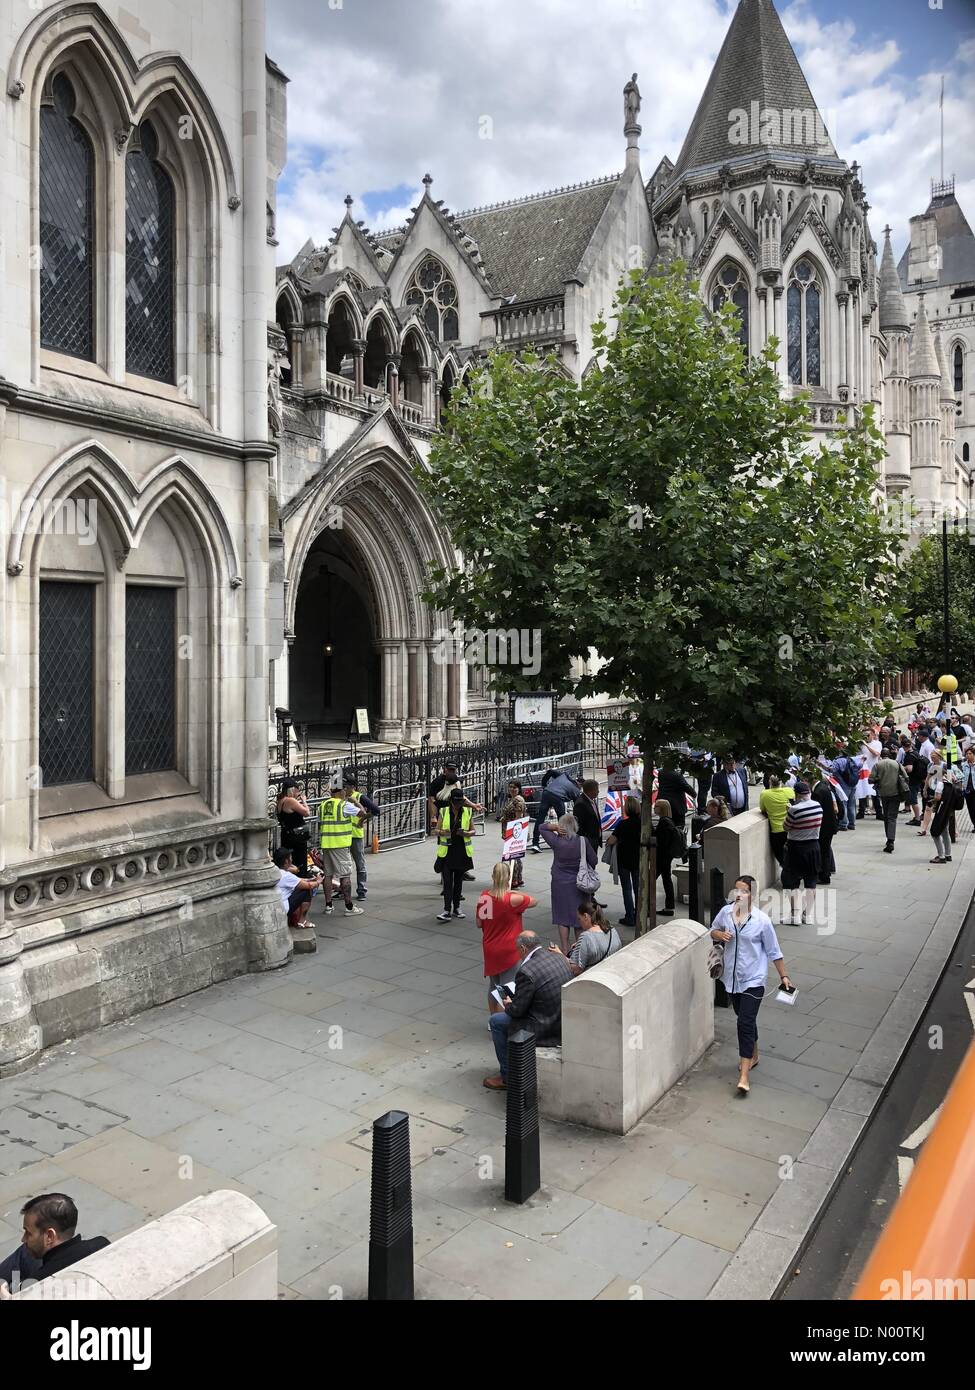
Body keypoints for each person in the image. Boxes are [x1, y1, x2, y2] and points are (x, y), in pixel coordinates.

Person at [710, 876, 793, 1097]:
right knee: (744, 1018)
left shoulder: (761, 921)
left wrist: (784, 976)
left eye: (744, 891)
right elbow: (712, 930)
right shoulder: (726, 913)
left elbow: (774, 951)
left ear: (752, 894)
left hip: (754, 979)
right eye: (736, 890)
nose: (738, 895)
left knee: (744, 1023)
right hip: (732, 979)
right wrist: (720, 934)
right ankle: (754, 1054)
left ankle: (744, 1076)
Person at [483, 930, 573, 1090]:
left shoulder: (526, 971)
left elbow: (516, 1011)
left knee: (496, 1021)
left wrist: (509, 1003)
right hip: (560, 1018)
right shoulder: (557, 957)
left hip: (542, 1027)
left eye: (517, 950)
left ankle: (507, 1076)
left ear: (523, 949)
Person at [0, 1195, 109, 1298]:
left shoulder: (36, 1284)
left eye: (28, 1233)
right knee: (26, 1250)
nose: (23, 1239)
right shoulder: (102, 1244)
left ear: (50, 1236)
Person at [476, 863, 537, 1013]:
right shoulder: (512, 899)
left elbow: (479, 923)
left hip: (490, 948)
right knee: (507, 989)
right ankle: (502, 1021)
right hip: (509, 950)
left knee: (494, 986)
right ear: (508, 877)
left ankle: (493, 1019)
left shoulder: (484, 897)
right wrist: (515, 892)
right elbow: (534, 901)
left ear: (492, 877)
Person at [538, 811, 597, 955]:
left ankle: (564, 949)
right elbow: (594, 861)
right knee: (579, 918)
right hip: (579, 884)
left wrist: (555, 827)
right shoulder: (583, 841)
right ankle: (579, 949)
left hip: (559, 883)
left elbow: (541, 827)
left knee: (562, 917)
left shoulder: (556, 842)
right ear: (575, 826)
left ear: (562, 827)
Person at [318, 786, 366, 916]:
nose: (346, 792)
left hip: (326, 844)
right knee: (345, 875)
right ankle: (349, 907)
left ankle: (328, 906)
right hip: (340, 845)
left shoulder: (322, 805)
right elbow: (362, 813)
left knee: (328, 875)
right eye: (344, 790)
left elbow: (320, 823)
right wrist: (355, 801)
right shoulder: (343, 805)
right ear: (340, 792)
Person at [780, 781, 822, 925]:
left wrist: (789, 811)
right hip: (813, 847)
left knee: (792, 883)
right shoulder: (818, 806)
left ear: (797, 794)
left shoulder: (794, 810)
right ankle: (807, 915)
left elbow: (786, 827)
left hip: (796, 848)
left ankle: (794, 916)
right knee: (811, 883)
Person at [436, 787, 475, 921]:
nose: (458, 804)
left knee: (458, 881)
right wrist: (443, 832)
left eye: (460, 802)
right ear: (451, 801)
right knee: (447, 882)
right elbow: (436, 830)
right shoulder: (444, 811)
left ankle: (457, 907)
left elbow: (473, 831)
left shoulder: (468, 812)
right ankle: (447, 910)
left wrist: (465, 833)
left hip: (461, 851)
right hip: (447, 851)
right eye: (456, 802)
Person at [342, 771, 381, 900]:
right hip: (343, 836)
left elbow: (376, 810)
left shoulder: (359, 797)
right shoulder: (340, 797)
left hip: (355, 836)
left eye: (346, 787)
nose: (344, 789)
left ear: (352, 787)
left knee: (360, 864)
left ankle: (361, 890)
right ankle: (343, 889)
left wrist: (362, 820)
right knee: (343, 865)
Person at [606, 794, 641, 926]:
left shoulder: (623, 824)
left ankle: (630, 916)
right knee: (638, 888)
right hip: (638, 859)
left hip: (624, 860)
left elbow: (612, 840)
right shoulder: (641, 823)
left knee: (627, 888)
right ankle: (640, 913)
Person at [562, 900, 621, 975]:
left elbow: (576, 970)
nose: (580, 922)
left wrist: (560, 955)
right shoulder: (612, 930)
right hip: (610, 974)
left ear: (586, 916)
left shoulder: (586, 937)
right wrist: (581, 946)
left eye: (579, 919)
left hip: (593, 979)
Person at [530, 767, 582, 850]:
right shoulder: (576, 791)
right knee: (562, 820)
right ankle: (562, 841)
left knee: (540, 818)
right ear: (579, 785)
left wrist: (544, 784)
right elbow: (578, 807)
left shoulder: (564, 776)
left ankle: (535, 843)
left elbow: (550, 772)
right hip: (558, 798)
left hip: (547, 793)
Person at [868, 747, 909, 853]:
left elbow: (870, 780)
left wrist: (879, 779)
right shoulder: (896, 764)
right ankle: (891, 840)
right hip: (895, 793)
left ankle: (889, 839)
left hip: (884, 794)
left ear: (881, 755)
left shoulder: (878, 765)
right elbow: (906, 776)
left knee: (886, 816)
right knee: (892, 817)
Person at [272, 846, 321, 928]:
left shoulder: (275, 871)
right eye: (290, 857)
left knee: (300, 887)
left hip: (275, 906)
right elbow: (309, 886)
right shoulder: (286, 876)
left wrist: (311, 879)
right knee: (306, 891)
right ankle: (302, 921)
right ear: (287, 861)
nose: (292, 859)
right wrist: (318, 882)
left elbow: (298, 880)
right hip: (283, 908)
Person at [652, 798, 685, 918]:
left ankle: (649, 906)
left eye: (656, 806)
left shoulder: (664, 822)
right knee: (666, 879)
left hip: (663, 857)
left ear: (661, 809)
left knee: (652, 879)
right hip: (667, 856)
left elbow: (663, 842)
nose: (654, 808)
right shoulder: (668, 821)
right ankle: (669, 907)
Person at [810, 769, 840, 883]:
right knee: (825, 850)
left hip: (824, 827)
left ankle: (824, 875)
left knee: (823, 851)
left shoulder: (818, 792)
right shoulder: (823, 787)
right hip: (829, 825)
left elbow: (816, 810)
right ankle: (825, 874)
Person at [275, 778, 311, 874]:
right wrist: (304, 801)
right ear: (291, 789)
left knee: (289, 862)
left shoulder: (280, 801)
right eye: (297, 789)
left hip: (286, 836)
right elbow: (307, 813)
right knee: (299, 861)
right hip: (297, 837)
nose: (298, 791)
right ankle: (301, 882)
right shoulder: (290, 801)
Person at [758, 775, 794, 866]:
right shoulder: (789, 791)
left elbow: (762, 809)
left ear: (770, 783)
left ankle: (788, 874)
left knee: (780, 856)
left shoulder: (765, 794)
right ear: (781, 782)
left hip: (776, 830)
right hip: (790, 828)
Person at [497, 781, 528, 888]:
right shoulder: (513, 799)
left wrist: (513, 835)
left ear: (519, 788)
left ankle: (514, 881)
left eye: (514, 787)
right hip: (511, 830)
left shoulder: (518, 800)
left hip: (514, 832)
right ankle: (518, 879)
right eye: (510, 787)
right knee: (516, 857)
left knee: (513, 856)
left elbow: (518, 819)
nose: (512, 789)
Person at [929, 769, 962, 864]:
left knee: (935, 832)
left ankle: (941, 856)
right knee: (944, 831)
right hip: (949, 811)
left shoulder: (940, 784)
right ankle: (948, 854)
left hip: (941, 811)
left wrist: (933, 799)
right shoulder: (953, 784)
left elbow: (938, 797)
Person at [656, 759, 696, 831]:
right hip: (676, 806)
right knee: (678, 828)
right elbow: (686, 787)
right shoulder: (676, 775)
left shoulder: (661, 773)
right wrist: (694, 794)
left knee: (665, 825)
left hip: (664, 803)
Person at [573, 779, 603, 852]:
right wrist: (587, 840)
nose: (598, 791)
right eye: (597, 789)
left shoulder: (592, 800)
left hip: (595, 839)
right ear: (590, 791)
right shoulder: (580, 804)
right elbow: (578, 825)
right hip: (588, 841)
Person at [960, 746, 975, 829]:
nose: (968, 755)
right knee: (970, 809)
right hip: (967, 790)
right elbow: (961, 777)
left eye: (970, 754)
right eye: (966, 754)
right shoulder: (964, 765)